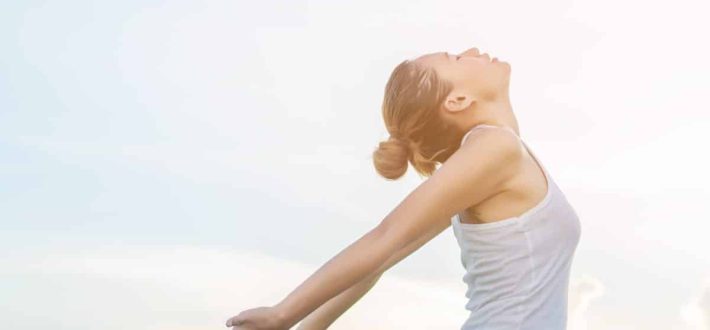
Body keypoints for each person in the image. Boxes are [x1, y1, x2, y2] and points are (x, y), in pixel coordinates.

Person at [225, 47, 582, 330]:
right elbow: (387, 238)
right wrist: (283, 315)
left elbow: (384, 257)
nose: (472, 50)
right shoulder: (495, 148)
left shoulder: (490, 161)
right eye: (457, 58)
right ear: (456, 101)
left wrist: (308, 326)